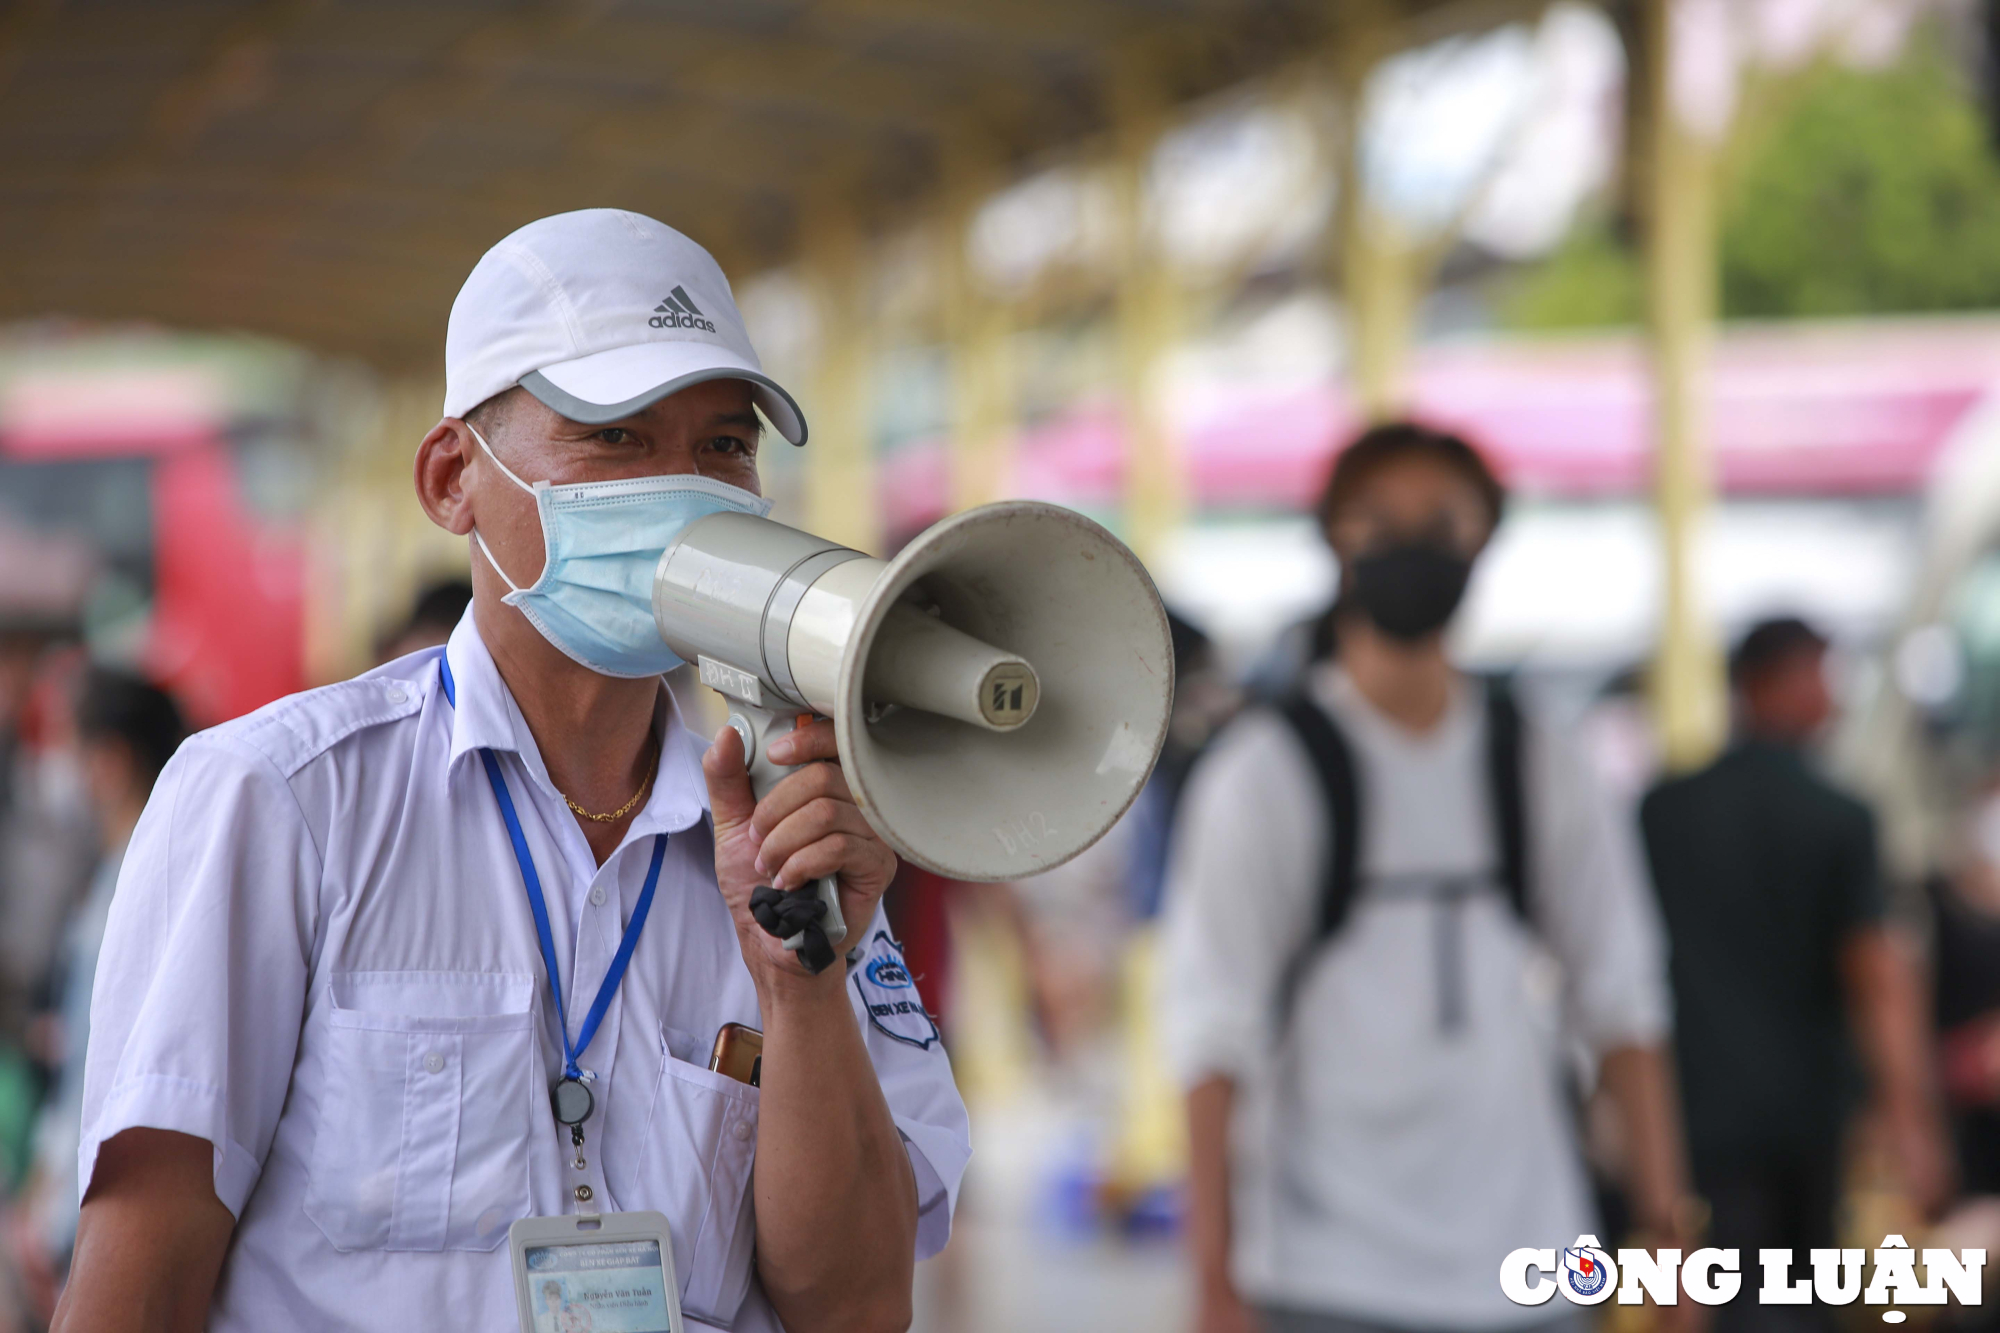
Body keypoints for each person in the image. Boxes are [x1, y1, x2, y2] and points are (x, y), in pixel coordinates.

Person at [55, 210, 968, 1333]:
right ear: (452, 479)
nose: (684, 490)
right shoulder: (280, 801)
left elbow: (858, 1306)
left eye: (724, 446)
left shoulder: (786, 846)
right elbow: (137, 1278)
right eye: (617, 437)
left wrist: (803, 983)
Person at [1161, 422, 1695, 1333]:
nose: (1412, 544)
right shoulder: (1263, 774)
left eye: (1442, 519)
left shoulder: (1540, 761)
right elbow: (1213, 1031)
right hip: (1320, 1272)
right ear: (1333, 538)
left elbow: (1622, 995)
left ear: (1485, 537)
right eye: (1380, 518)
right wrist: (1212, 1279)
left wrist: (1667, 1228)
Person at [1642, 617, 1951, 1332]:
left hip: (1694, 1108)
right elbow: (1876, 976)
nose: (1834, 701)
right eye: (1821, 677)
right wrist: (1913, 1119)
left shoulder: (1662, 810)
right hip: (1807, 1115)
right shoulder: (1838, 816)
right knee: (1801, 1297)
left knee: (1716, 1295)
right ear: (1768, 683)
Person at [13, 669, 183, 1316]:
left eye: (69, 747)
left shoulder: (132, 880)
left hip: (93, 1205)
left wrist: (50, 1194)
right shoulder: (144, 865)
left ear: (109, 761)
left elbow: (96, 1058)